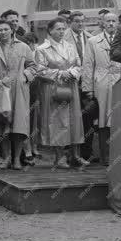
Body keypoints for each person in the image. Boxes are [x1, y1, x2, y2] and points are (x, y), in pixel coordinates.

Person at [35, 18, 87, 169]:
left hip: (70, 86)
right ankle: (59, 157)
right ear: (50, 30)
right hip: (53, 88)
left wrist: (72, 72)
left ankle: (75, 155)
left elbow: (78, 64)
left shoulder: (70, 46)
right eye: (58, 29)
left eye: (63, 29)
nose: (61, 31)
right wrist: (59, 73)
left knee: (74, 120)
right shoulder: (42, 48)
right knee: (57, 121)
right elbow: (40, 70)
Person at [0, 19, 36, 170]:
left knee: (19, 126)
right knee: (3, 124)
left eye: (5, 29)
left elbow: (33, 65)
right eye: (0, 30)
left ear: (12, 30)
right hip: (2, 90)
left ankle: (17, 159)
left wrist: (25, 76)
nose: (2, 32)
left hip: (19, 89)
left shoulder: (23, 47)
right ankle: (6, 158)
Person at [82, 12, 121, 166]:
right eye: (108, 21)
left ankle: (120, 154)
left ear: (118, 23)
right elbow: (88, 65)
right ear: (103, 23)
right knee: (103, 120)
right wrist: (88, 88)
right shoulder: (93, 41)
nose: (111, 24)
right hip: (101, 82)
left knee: (119, 117)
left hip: (120, 80)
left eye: (114, 21)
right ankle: (106, 157)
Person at [63, 11, 97, 161]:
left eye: (83, 21)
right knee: (69, 119)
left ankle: (85, 153)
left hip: (87, 84)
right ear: (70, 22)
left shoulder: (90, 38)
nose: (80, 24)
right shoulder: (63, 37)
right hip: (69, 83)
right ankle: (69, 153)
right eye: (77, 21)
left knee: (87, 117)